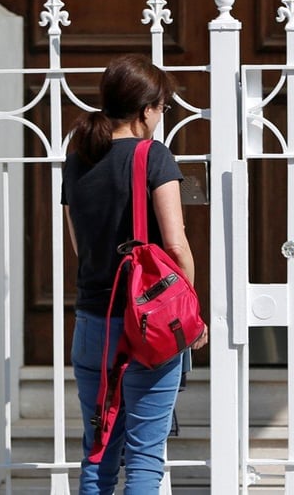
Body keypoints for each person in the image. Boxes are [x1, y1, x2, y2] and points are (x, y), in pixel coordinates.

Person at [63, 53, 208, 494]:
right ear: (147, 110)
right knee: (144, 458)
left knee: (99, 451)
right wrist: (189, 313)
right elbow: (176, 244)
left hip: (91, 322)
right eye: (163, 108)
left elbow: (77, 244)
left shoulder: (78, 159)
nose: (163, 117)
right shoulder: (153, 156)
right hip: (146, 325)